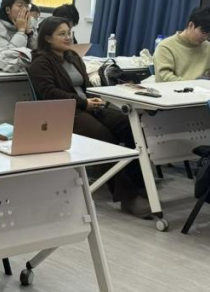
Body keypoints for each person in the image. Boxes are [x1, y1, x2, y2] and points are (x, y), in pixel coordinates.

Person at [28, 17, 148, 216]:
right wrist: (84, 103)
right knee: (104, 138)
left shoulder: (73, 57)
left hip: (88, 106)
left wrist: (96, 98)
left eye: (69, 33)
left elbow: (86, 86)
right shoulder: (40, 63)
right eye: (62, 34)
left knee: (130, 126)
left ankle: (140, 184)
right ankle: (127, 196)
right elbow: (50, 93)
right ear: (48, 38)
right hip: (64, 113)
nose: (68, 37)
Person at [154, 7, 210, 82]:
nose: (205, 38)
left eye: (209, 35)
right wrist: (193, 85)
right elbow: (164, 78)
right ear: (191, 25)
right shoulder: (165, 47)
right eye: (203, 33)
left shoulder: (209, 48)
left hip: (201, 89)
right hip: (176, 89)